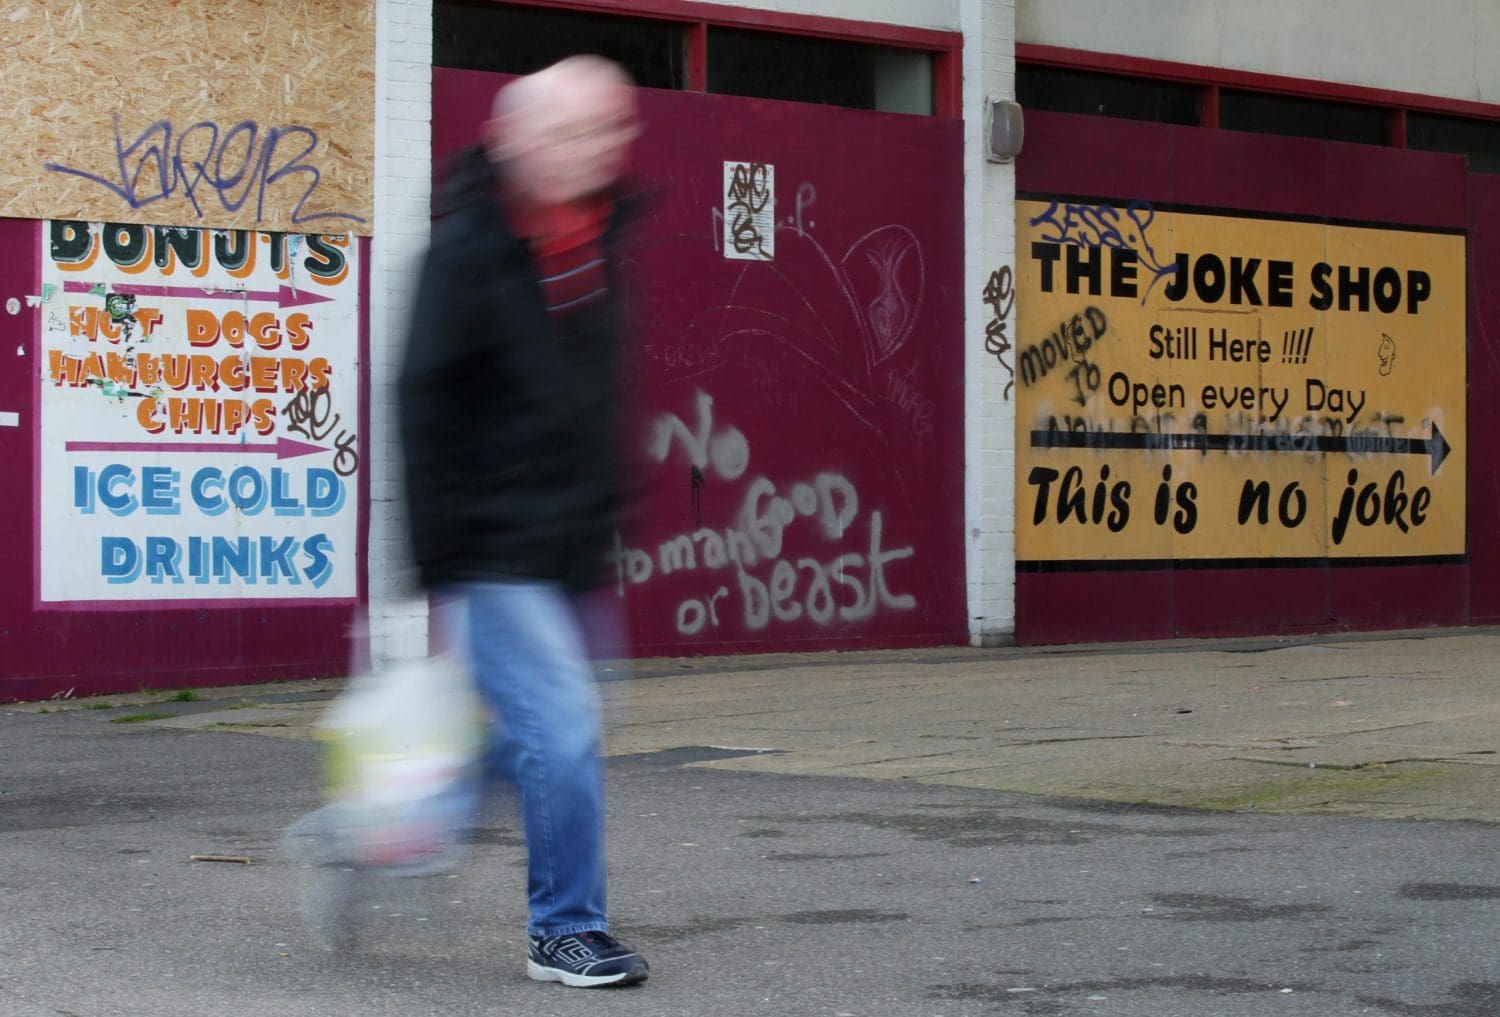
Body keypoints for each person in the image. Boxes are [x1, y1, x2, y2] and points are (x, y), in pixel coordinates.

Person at [396, 55, 647, 988]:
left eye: (611, 129)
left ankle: (393, 822)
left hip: (571, 544)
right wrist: (438, 558)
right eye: (576, 130)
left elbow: (588, 399)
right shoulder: (467, 251)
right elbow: (422, 401)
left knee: (548, 732)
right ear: (516, 138)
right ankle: (564, 929)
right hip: (493, 544)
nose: (599, 147)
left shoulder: (597, 234)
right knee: (566, 727)